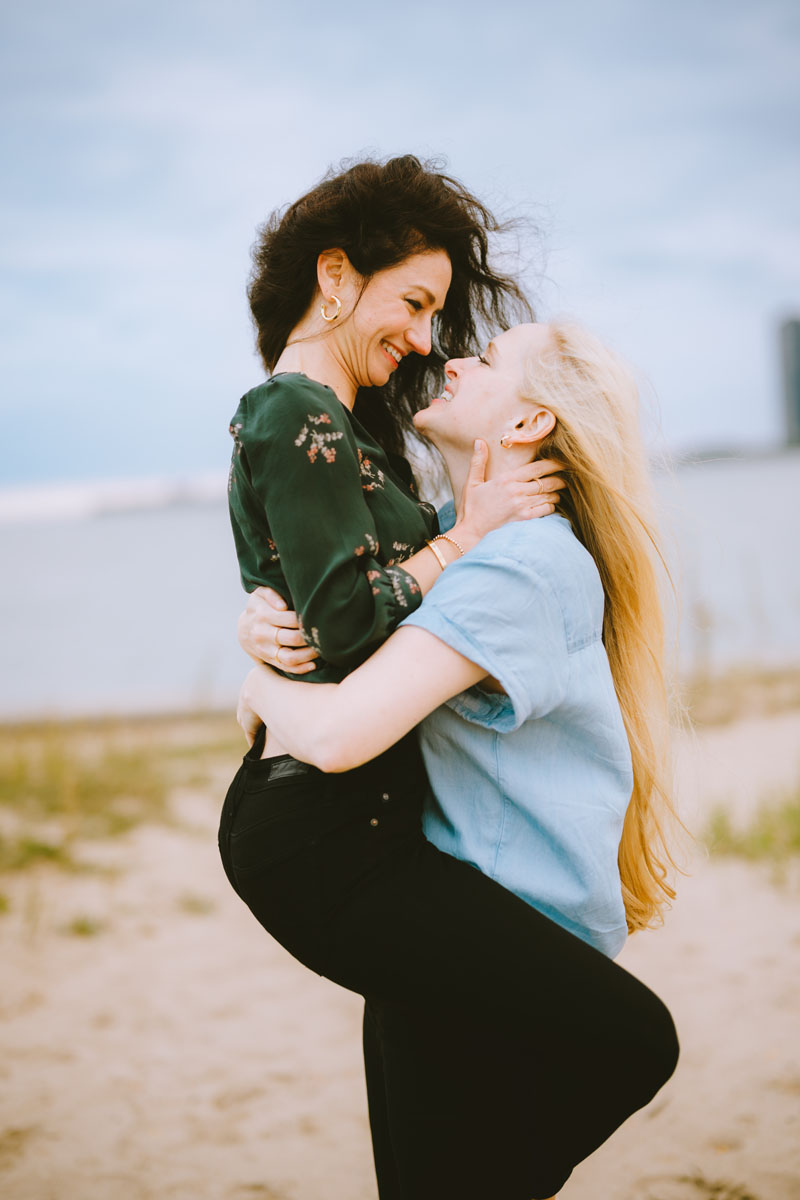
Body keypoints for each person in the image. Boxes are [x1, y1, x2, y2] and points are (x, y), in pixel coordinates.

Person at [219, 155, 678, 1200]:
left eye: (476, 349)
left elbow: (340, 710)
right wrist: (266, 628)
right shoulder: (470, 534)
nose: (441, 353)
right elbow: (357, 604)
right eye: (423, 310)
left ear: (526, 425)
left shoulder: (512, 558)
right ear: (335, 280)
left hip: (420, 867)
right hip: (393, 863)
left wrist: (254, 686)